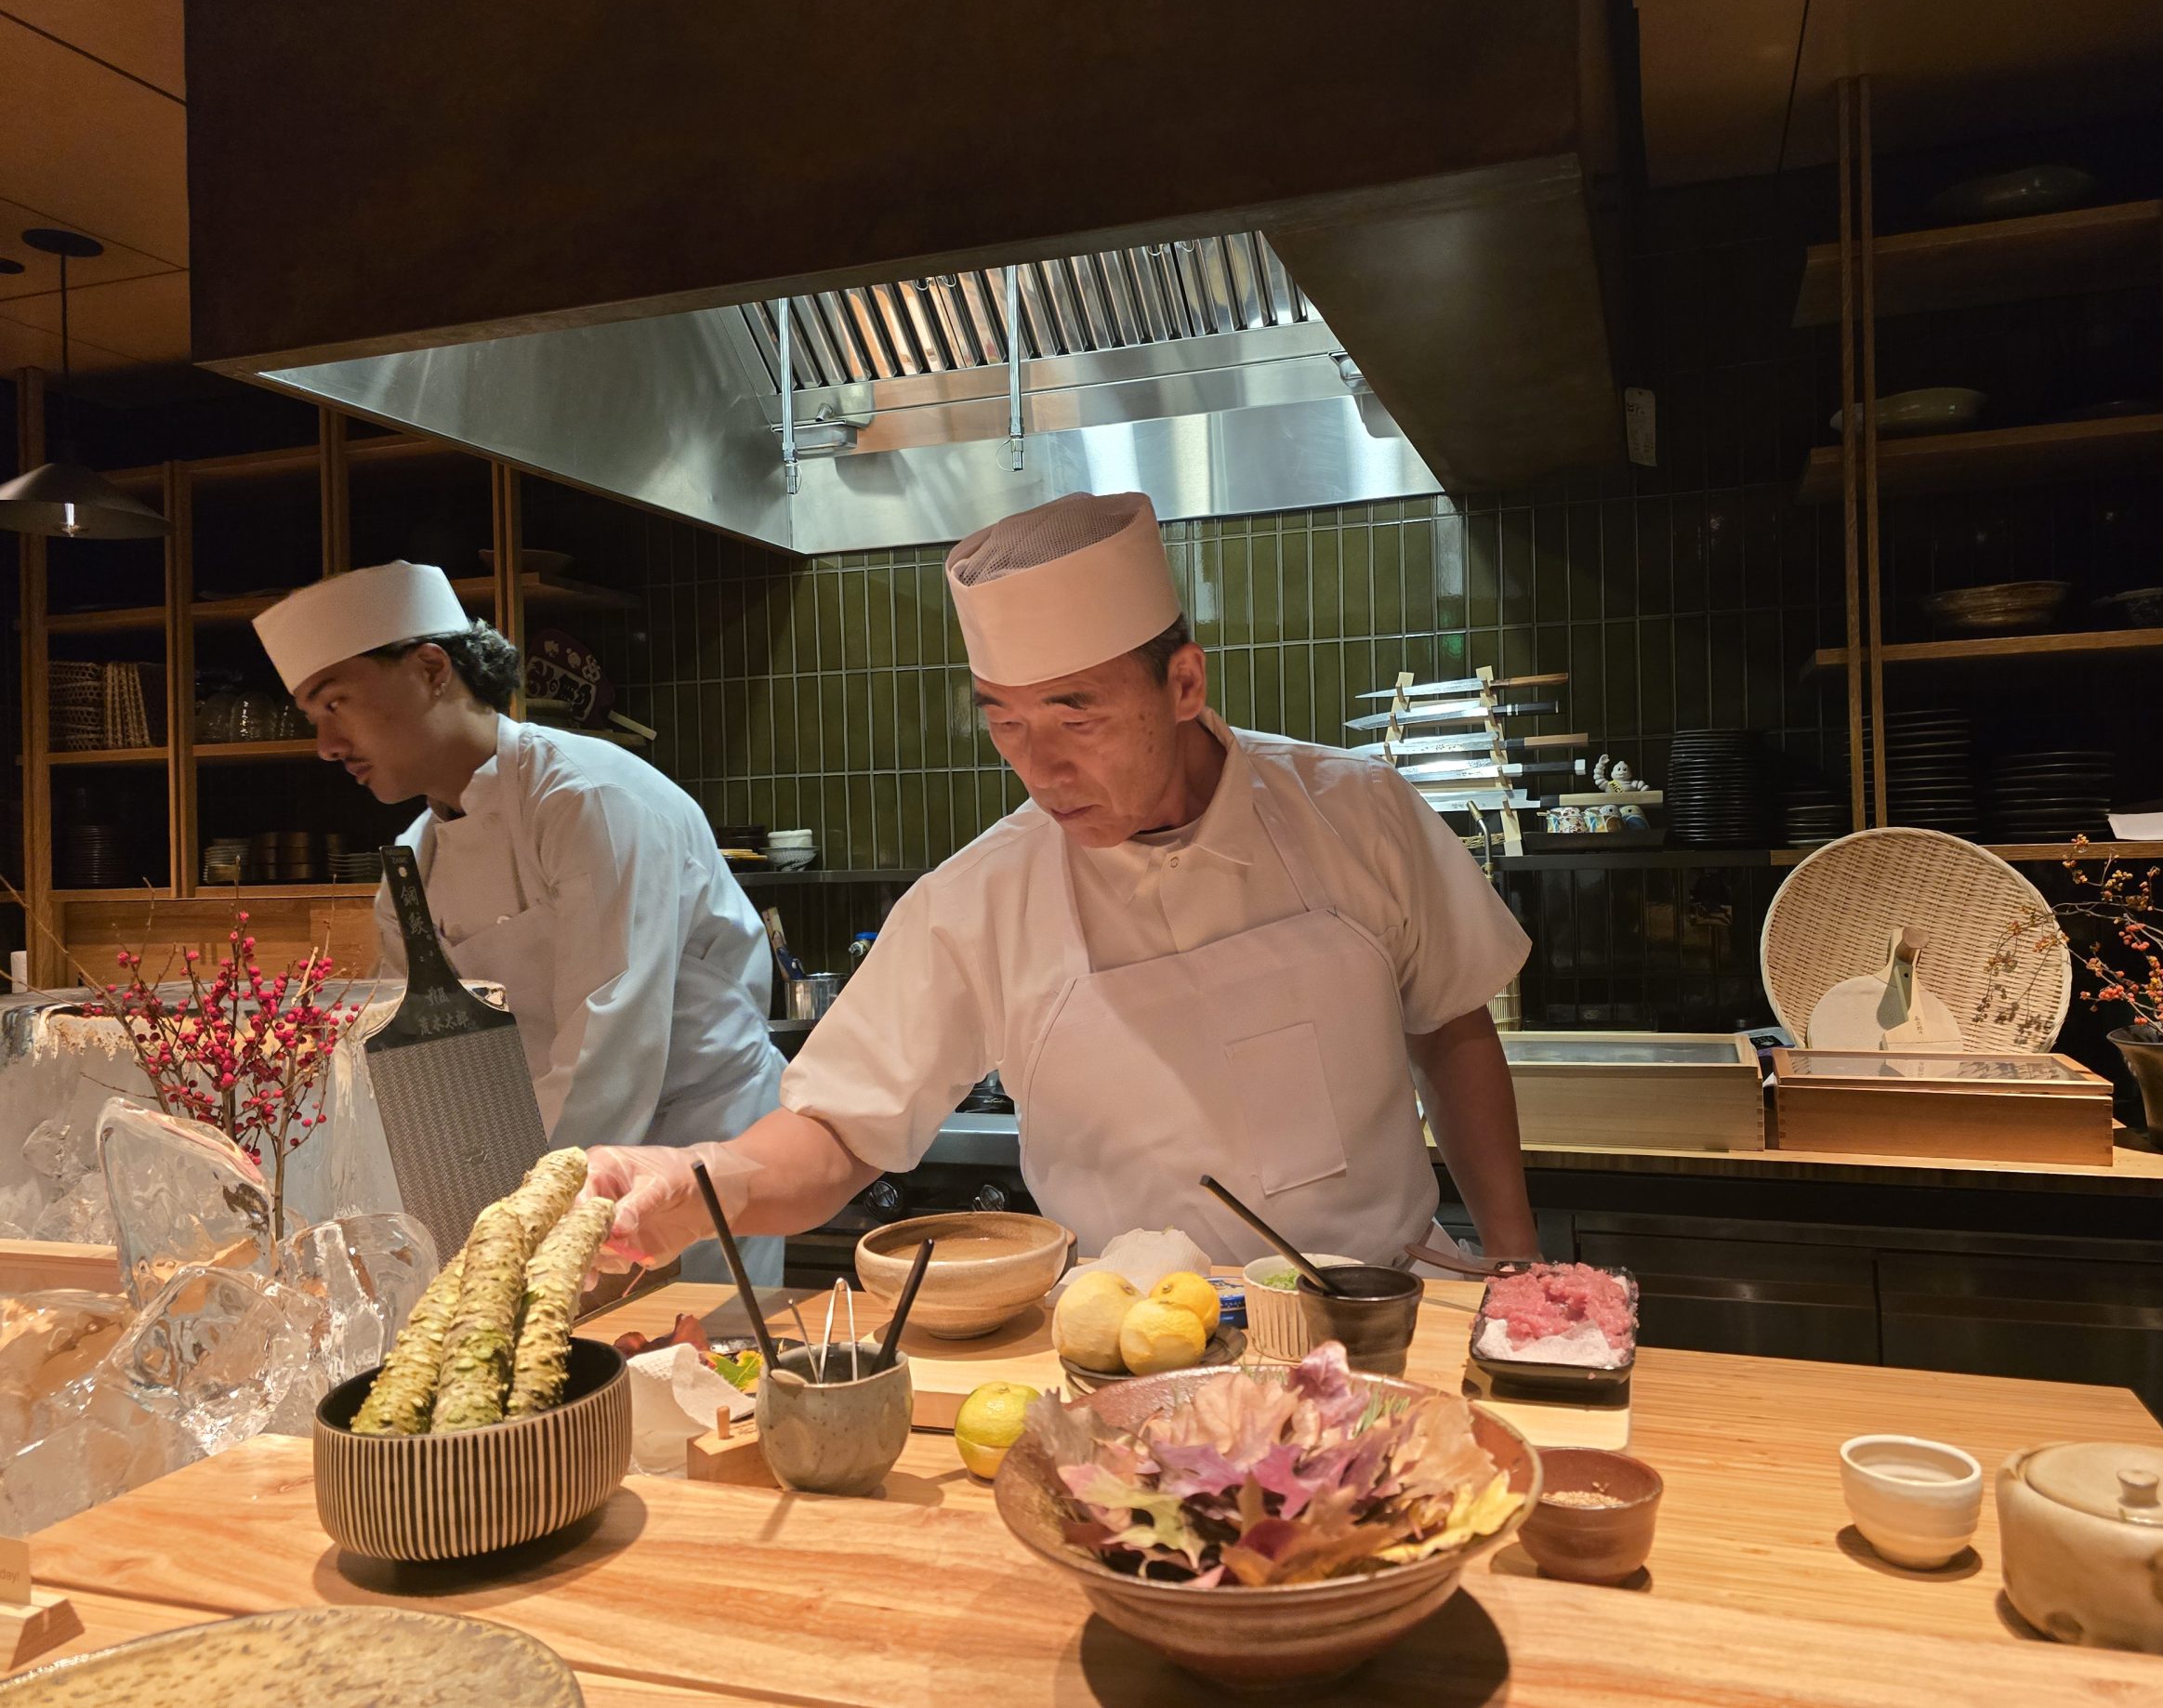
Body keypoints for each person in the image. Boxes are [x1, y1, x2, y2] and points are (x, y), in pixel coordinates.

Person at [585, 492, 1539, 1271]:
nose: (1039, 770)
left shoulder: (1358, 812)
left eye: (1075, 716)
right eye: (1005, 722)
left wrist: (1515, 1261)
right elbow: (838, 1132)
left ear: (1184, 686)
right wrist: (709, 1178)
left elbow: (1450, 1029)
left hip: (1381, 1315)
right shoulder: (980, 902)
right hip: (1122, 1352)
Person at [253, 562, 786, 1269]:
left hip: (687, 1152)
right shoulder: (415, 864)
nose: (324, 743)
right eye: (314, 717)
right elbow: (412, 1059)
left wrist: (519, 1218)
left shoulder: (588, 799)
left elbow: (612, 1043)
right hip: (549, 1168)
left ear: (431, 668)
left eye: (335, 703)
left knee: (700, 1368)